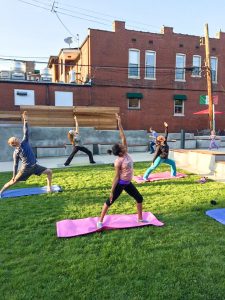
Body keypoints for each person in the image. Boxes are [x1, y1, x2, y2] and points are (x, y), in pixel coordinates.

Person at [97, 114, 144, 229]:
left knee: (139, 198)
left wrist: (119, 123)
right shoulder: (118, 161)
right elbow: (116, 177)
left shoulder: (126, 152)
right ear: (119, 152)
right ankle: (100, 221)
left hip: (127, 183)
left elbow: (123, 137)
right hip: (121, 183)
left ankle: (140, 219)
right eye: (121, 147)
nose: (123, 146)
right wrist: (112, 191)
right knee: (110, 201)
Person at [0, 111, 52, 197]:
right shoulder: (16, 152)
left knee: (49, 172)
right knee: (13, 182)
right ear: (13, 144)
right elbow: (15, 165)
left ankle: (49, 187)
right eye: (15, 139)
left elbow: (26, 131)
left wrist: (25, 121)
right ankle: (1, 191)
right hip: (25, 170)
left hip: (35, 166)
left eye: (16, 138)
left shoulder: (25, 141)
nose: (17, 139)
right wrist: (14, 176)